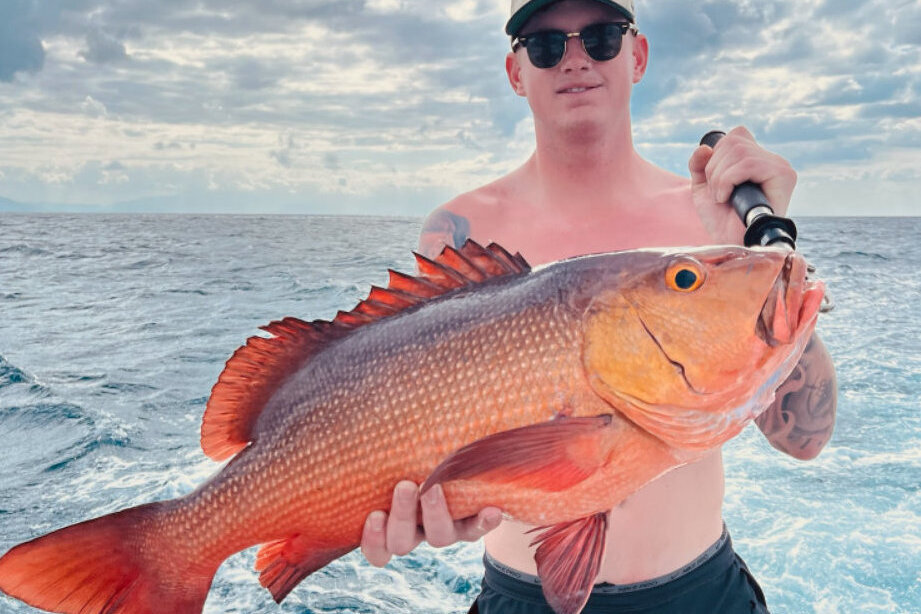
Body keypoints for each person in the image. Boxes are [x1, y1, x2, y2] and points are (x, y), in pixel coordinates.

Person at [360, 1, 838, 612]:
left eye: (603, 38)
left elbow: (804, 440)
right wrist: (424, 511)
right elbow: (407, 416)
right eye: (545, 46)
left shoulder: (707, 224)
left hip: (699, 592)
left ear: (636, 55)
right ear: (515, 71)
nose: (575, 59)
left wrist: (752, 252)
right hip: (521, 595)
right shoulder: (462, 230)